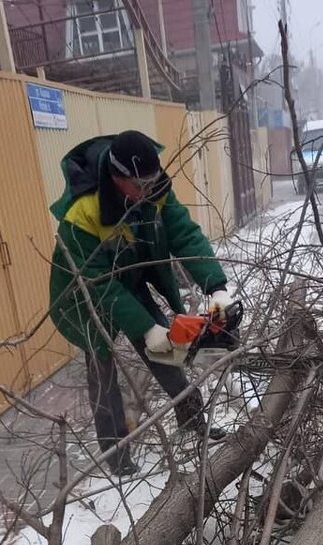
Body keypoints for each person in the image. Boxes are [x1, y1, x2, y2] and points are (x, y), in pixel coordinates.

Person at [49, 129, 240, 476]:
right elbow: (100, 286)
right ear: (117, 177)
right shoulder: (81, 215)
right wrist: (145, 327)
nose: (148, 190)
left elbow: (185, 234)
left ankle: (193, 420)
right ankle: (117, 453)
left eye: (153, 182)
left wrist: (217, 286)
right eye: (140, 185)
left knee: (164, 350)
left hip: (128, 277)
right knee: (102, 367)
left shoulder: (154, 188)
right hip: (86, 294)